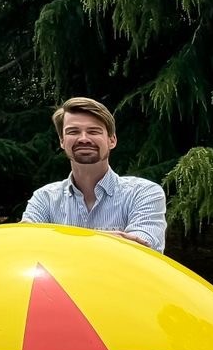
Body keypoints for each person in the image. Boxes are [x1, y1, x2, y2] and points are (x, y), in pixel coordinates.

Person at [21, 96, 167, 249]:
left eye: (93, 131)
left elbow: (143, 251)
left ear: (112, 140)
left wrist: (55, 241)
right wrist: (113, 240)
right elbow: (25, 244)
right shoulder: (44, 198)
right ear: (62, 141)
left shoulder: (144, 193)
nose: (83, 139)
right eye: (73, 131)